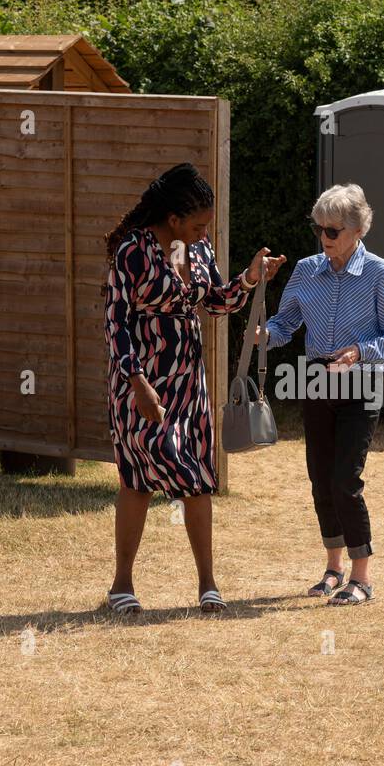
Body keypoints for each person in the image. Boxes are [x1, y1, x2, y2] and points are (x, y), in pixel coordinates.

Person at [103, 162, 285, 614]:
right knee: (141, 473)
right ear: (174, 220)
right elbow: (115, 322)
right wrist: (137, 380)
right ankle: (121, 585)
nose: (206, 234)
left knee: (197, 475)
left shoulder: (195, 252)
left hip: (188, 378)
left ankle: (208, 585)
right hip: (141, 381)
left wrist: (248, 278)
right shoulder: (134, 252)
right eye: (199, 225)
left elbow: (216, 303)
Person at [256, 183, 384, 606]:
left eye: (333, 230)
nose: (324, 237)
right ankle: (333, 568)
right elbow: (285, 323)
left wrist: (361, 351)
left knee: (346, 480)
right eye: (319, 229)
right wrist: (263, 335)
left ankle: (362, 578)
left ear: (357, 229)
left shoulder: (382, 273)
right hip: (315, 377)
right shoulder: (306, 271)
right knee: (321, 480)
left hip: (360, 381)